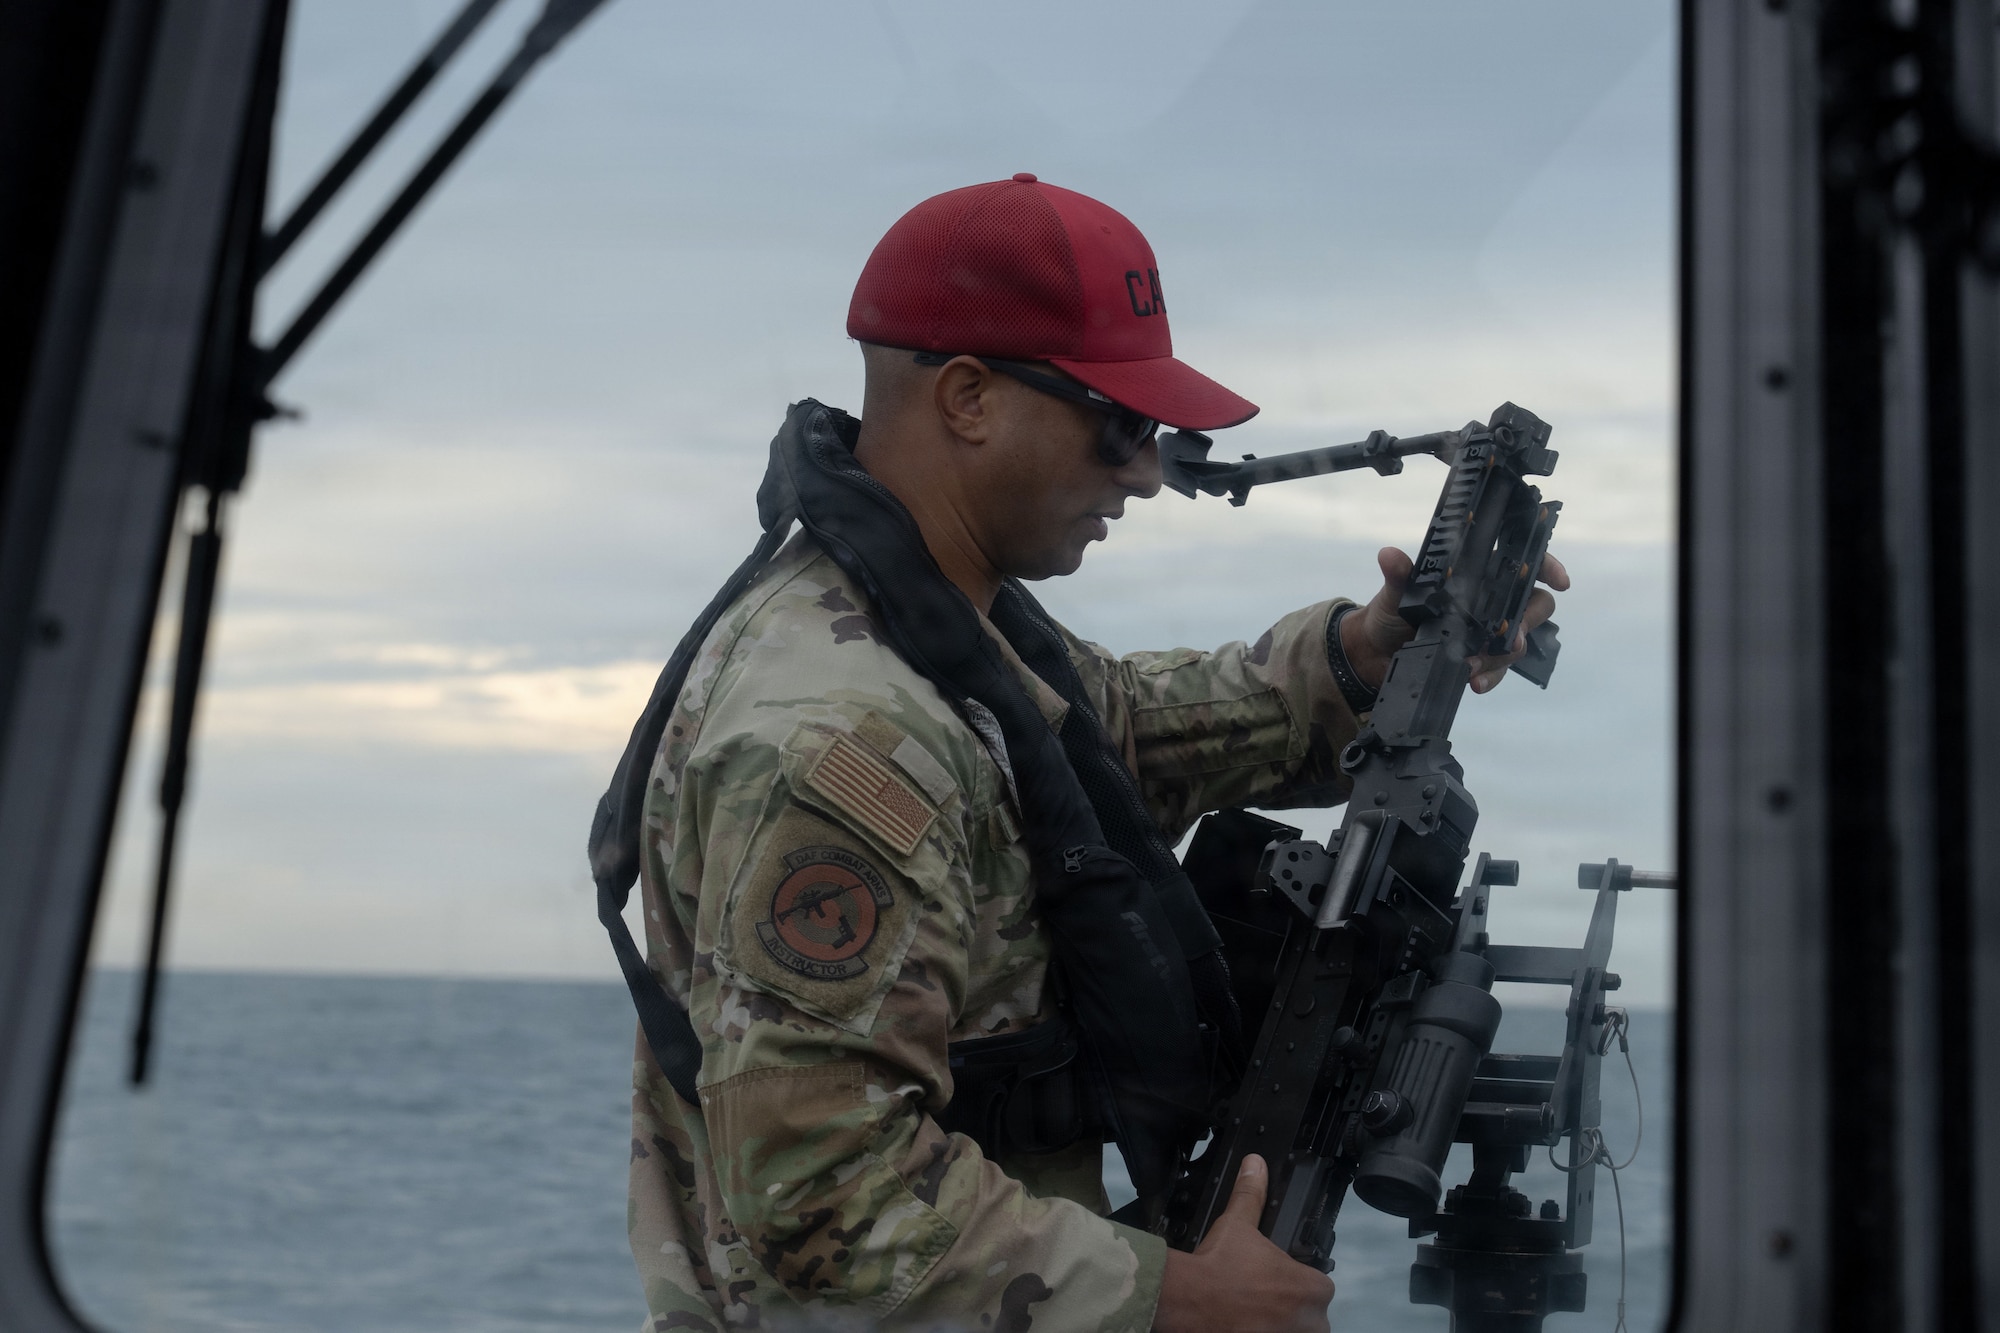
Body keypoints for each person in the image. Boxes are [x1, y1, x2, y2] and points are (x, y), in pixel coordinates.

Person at [602, 173, 1567, 1333]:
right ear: (966, 397)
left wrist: (1364, 657)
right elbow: (816, 1198)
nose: (1145, 470)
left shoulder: (948, 631)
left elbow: (1107, 731)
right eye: (1119, 425)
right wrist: (1169, 1297)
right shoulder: (840, 741)